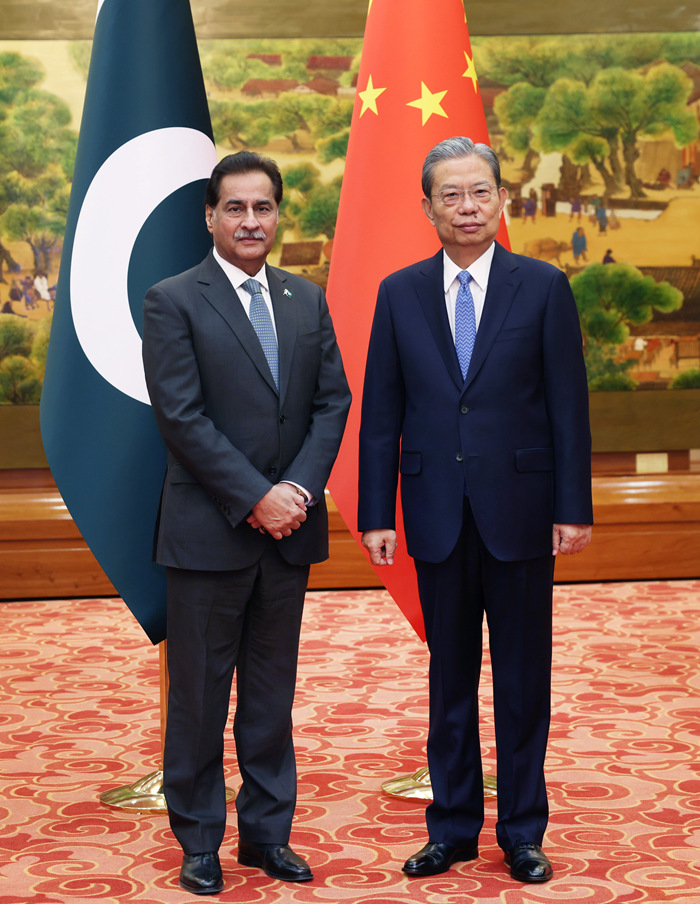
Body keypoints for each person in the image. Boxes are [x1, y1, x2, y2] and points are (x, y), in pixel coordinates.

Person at [358, 137, 592, 885]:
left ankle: (523, 832)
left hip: (521, 511)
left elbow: (568, 406)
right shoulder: (399, 292)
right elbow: (381, 412)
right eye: (451, 195)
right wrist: (375, 512)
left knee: (523, 682)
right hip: (435, 513)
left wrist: (573, 505)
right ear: (427, 207)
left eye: (480, 192)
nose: (467, 207)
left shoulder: (543, 286)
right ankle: (453, 828)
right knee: (450, 681)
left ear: (502, 198)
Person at [142, 151, 351, 895]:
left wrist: (295, 489)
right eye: (236, 207)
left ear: (277, 214)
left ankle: (267, 835)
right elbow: (181, 417)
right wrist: (257, 496)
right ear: (210, 216)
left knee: (270, 696)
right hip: (210, 533)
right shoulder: (173, 300)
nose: (251, 221)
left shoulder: (306, 298)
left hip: (289, 532)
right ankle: (200, 841)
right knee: (199, 698)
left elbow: (332, 402)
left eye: (263, 207)